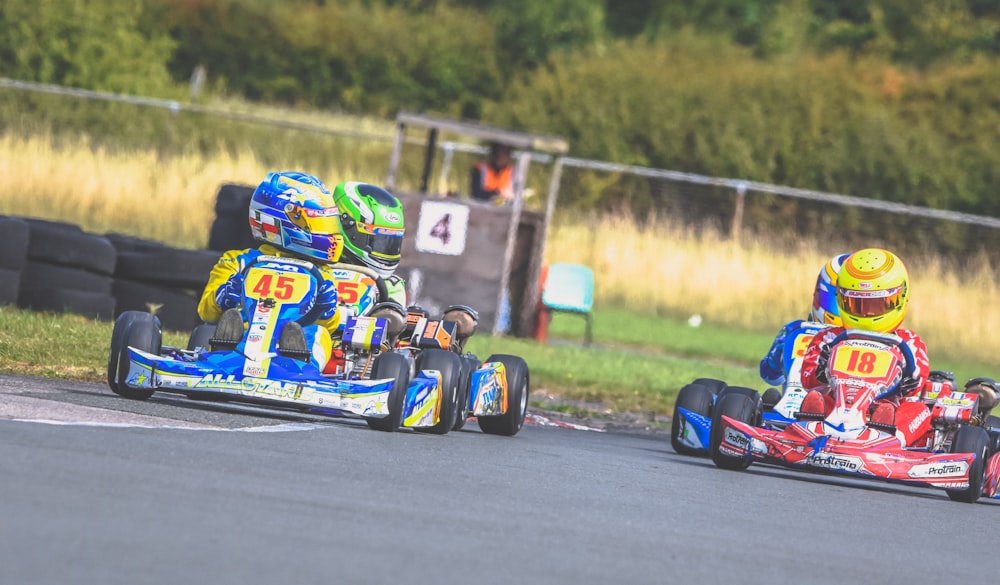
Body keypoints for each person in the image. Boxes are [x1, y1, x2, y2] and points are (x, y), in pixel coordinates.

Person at [197, 172, 409, 370]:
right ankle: (225, 346)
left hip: (297, 344)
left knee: (317, 333)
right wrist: (222, 299)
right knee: (214, 328)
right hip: (246, 333)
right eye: (320, 223)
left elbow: (330, 324)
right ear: (280, 221)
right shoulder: (238, 262)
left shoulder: (320, 272)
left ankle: (297, 361)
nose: (328, 232)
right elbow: (205, 311)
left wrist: (325, 310)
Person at [797, 248, 933, 445]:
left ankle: (888, 439)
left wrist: (908, 381)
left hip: (886, 414)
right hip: (836, 411)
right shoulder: (828, 337)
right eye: (857, 304)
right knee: (816, 397)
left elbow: (918, 382)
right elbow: (807, 379)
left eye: (876, 305)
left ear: (899, 297)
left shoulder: (909, 341)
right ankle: (809, 427)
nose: (867, 314)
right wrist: (820, 372)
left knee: (918, 411)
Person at [759, 253, 849, 389]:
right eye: (836, 301)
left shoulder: (867, 342)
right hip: (791, 404)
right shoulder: (795, 329)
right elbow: (771, 378)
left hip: (842, 405)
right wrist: (775, 362)